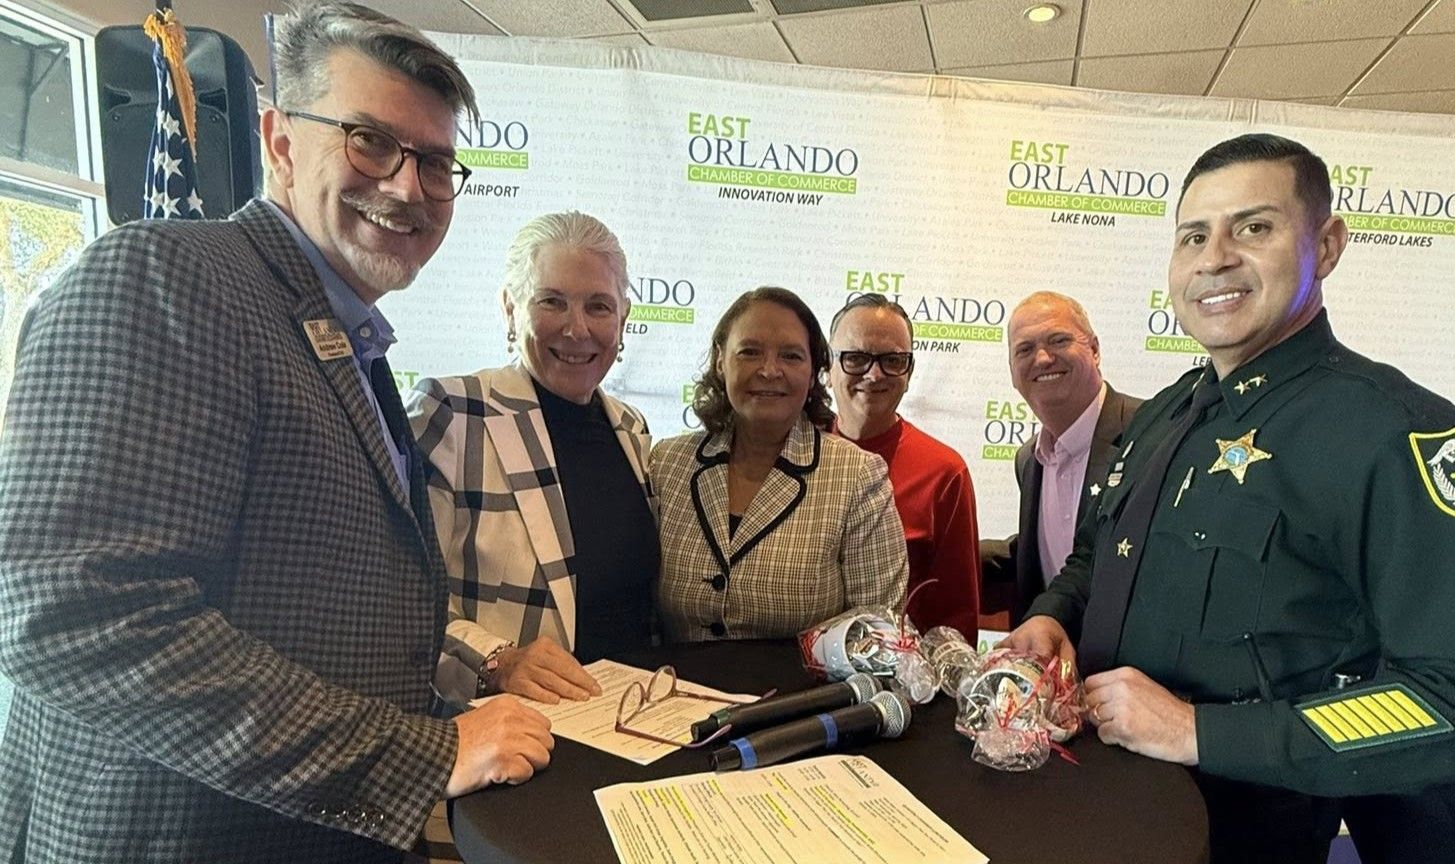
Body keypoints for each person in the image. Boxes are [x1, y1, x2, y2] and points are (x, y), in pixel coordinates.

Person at [0, 4, 554, 861]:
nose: (409, 186)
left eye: (437, 161)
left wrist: (456, 709)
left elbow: (323, 622)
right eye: (370, 140)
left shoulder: (346, 340)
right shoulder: (164, 277)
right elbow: (73, 614)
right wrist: (423, 750)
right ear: (281, 139)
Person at [1002, 132, 1455, 863]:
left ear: (1329, 244)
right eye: (1194, 235)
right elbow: (1101, 552)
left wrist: (1200, 731)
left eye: (1254, 227)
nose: (1215, 256)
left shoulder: (1394, 432)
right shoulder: (1164, 414)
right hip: (1111, 802)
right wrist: (1051, 617)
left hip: (1250, 832)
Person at [409, 211, 654, 705]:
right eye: (552, 302)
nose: (576, 328)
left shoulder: (631, 429)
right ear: (510, 308)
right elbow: (402, 597)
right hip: (513, 735)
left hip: (631, 720)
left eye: (599, 306)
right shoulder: (454, 412)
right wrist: (495, 660)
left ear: (623, 319)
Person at [652, 286, 907, 641]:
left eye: (791, 356)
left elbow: (878, 631)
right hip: (673, 690)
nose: (770, 371)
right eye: (750, 352)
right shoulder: (667, 464)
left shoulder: (858, 477)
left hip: (802, 693)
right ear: (719, 360)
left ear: (816, 370)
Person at [980, 291, 1141, 627]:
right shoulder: (1028, 460)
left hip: (1138, 673)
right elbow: (1053, 552)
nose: (1042, 358)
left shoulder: (1151, 430)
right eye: (1024, 349)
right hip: (1057, 669)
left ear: (1094, 350)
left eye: (1058, 340)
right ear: (1012, 372)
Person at [828, 292, 980, 640]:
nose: (874, 374)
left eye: (893, 360)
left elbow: (956, 618)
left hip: (901, 682)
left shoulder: (944, 472)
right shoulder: (795, 455)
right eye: (855, 358)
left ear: (909, 373)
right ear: (827, 368)